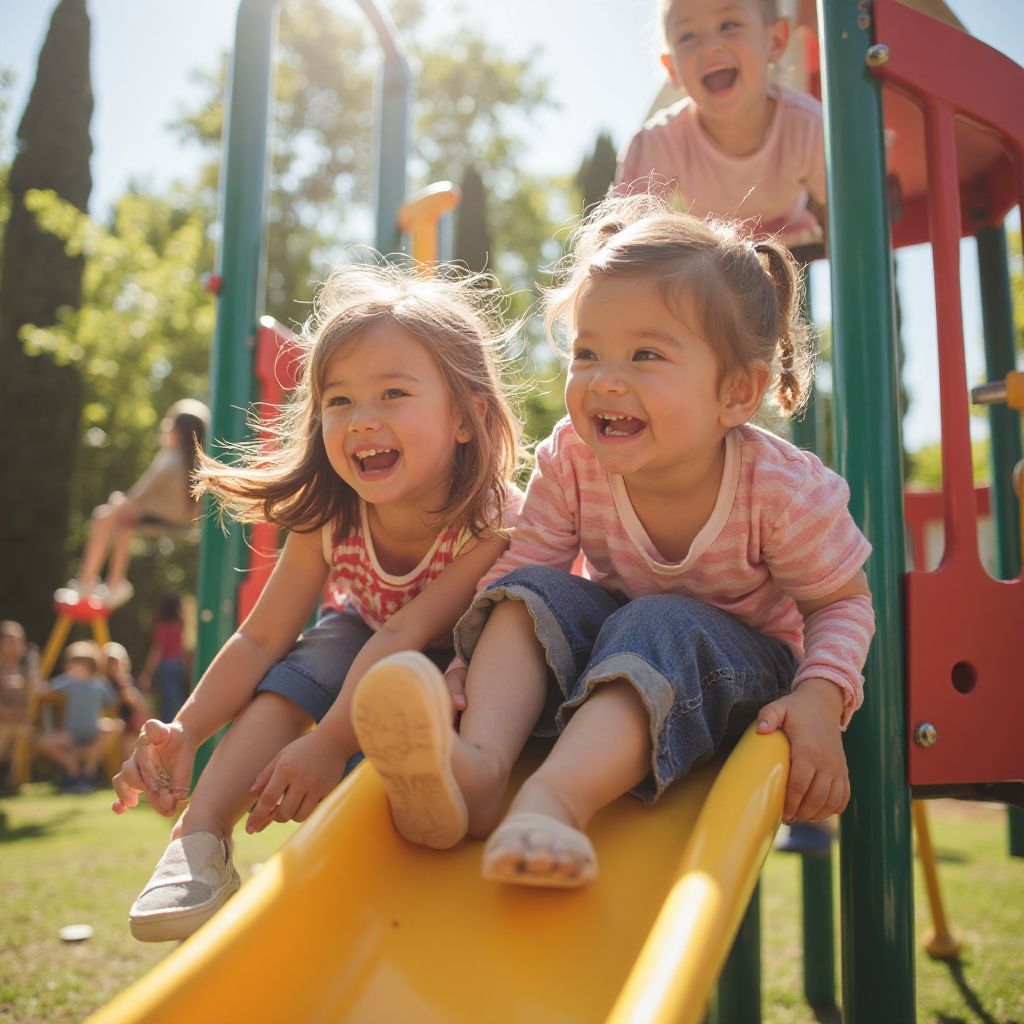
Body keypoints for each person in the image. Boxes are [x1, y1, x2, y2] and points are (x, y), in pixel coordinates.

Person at [351, 194, 875, 888]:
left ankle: (552, 803)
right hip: (620, 653)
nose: (604, 380)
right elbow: (522, 570)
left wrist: (820, 695)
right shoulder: (572, 457)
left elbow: (841, 602)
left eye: (646, 354)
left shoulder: (781, 490)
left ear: (737, 394)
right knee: (532, 590)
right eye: (586, 352)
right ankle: (478, 765)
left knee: (655, 621)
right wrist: (466, 669)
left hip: (740, 676)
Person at [111, 261, 524, 941]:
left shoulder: (492, 519)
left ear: (466, 416)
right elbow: (259, 638)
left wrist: (331, 744)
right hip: (362, 636)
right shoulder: (329, 516)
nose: (362, 420)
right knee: (315, 653)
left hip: (464, 657)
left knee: (374, 649)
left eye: (393, 393)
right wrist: (187, 728)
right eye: (339, 400)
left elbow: (411, 634)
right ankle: (201, 835)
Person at [616, 0, 826, 247]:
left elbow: (847, 203)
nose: (709, 46)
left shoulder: (806, 125)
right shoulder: (661, 142)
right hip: (717, 251)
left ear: (776, 40)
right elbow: (623, 235)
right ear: (672, 68)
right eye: (687, 36)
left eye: (729, 24)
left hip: (792, 242)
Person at [60, 399, 210, 610]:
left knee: (103, 516)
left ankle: (87, 581)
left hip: (166, 519)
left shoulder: (170, 460)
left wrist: (120, 502)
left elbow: (139, 495)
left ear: (178, 431)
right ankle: (114, 582)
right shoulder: (193, 461)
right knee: (123, 524)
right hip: (175, 520)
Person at [35, 641, 122, 794]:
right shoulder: (69, 681)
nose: (75, 668)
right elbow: (46, 690)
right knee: (42, 742)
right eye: (73, 664)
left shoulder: (99, 684)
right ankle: (72, 767)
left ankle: (88, 767)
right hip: (72, 733)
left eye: (79, 664)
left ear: (89, 665)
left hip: (93, 729)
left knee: (115, 726)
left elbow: (113, 700)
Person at [0, 621, 41, 794]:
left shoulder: (26, 668)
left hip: (21, 721)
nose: (13, 646)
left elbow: (34, 693)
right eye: (8, 641)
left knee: (23, 733)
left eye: (17, 641)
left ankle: (13, 783)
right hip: (2, 721)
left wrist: (32, 666)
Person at [138, 595, 190, 721]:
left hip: (166, 665)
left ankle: (169, 726)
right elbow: (182, 647)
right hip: (177, 664)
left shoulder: (161, 626)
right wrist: (186, 665)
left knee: (168, 699)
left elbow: (157, 650)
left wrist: (147, 672)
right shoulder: (179, 625)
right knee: (176, 697)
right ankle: (178, 722)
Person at [103, 642, 150, 761]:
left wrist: (132, 698)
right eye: (111, 664)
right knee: (126, 741)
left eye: (117, 663)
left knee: (133, 740)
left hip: (130, 723)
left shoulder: (126, 682)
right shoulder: (105, 684)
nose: (115, 668)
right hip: (117, 721)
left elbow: (138, 704)